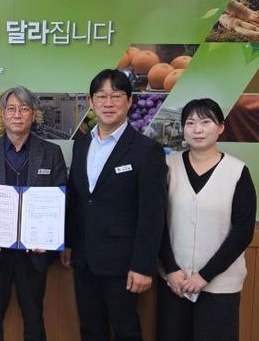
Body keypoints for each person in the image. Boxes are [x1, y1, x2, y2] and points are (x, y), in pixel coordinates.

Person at [62, 69, 167, 341]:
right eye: (101, 96)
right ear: (91, 101)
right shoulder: (81, 144)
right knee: (90, 330)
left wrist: (143, 265)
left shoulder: (147, 150)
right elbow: (78, 199)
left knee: (126, 331)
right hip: (84, 259)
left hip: (124, 263)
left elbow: (152, 214)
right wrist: (69, 243)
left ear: (129, 101)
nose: (108, 103)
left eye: (116, 96)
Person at [157, 98, 256, 341]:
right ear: (183, 129)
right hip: (174, 282)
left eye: (205, 122)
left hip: (220, 285)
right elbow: (156, 221)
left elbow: (243, 231)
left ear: (220, 127)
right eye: (190, 123)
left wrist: (205, 275)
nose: (197, 129)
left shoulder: (237, 171)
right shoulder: (168, 166)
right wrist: (171, 269)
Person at [0, 86, 67, 341]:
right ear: (3, 114)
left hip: (35, 253)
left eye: (24, 109)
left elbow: (62, 199)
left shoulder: (51, 153)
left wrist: (50, 237)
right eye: (12, 109)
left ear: (33, 114)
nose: (17, 115)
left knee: (35, 320)